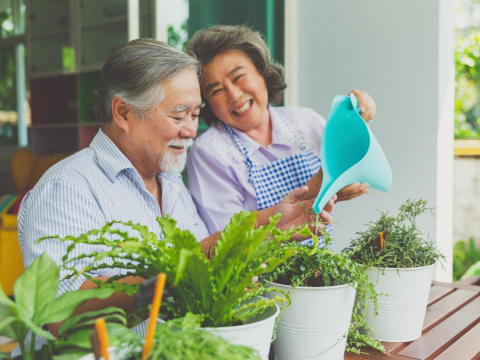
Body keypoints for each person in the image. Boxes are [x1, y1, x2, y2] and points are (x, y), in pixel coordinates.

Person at [13, 38, 334, 356]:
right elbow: (59, 313)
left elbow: (205, 266)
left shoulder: (172, 184)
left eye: (195, 115)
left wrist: (268, 227)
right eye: (178, 116)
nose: (190, 130)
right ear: (123, 112)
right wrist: (183, 269)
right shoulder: (66, 187)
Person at [186, 25, 376, 246]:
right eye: (216, 90)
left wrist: (356, 118)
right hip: (257, 278)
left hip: (322, 270)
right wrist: (319, 187)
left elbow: (357, 165)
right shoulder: (209, 151)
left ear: (262, 72)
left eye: (238, 77)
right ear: (206, 102)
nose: (234, 95)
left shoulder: (305, 121)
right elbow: (224, 237)